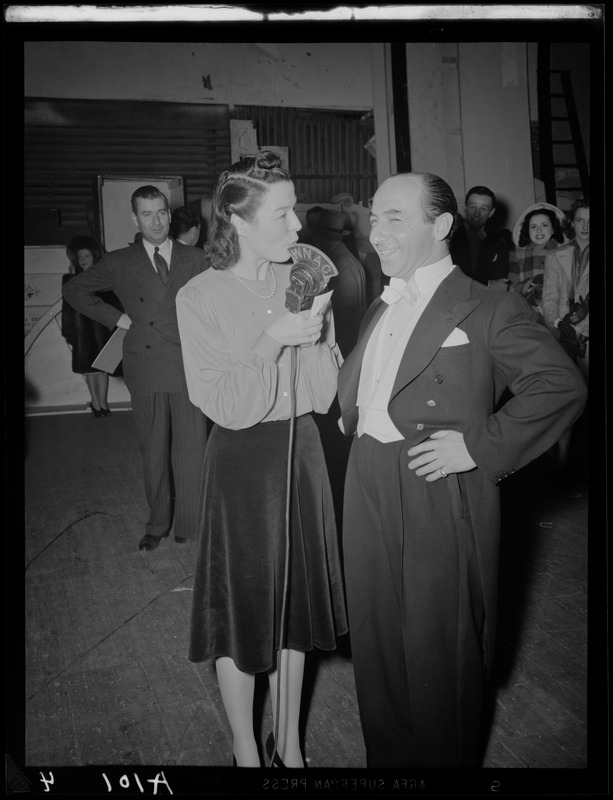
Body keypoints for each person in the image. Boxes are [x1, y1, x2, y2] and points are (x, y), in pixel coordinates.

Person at [337, 171, 587, 768]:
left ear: (442, 226)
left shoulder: (488, 304)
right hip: (367, 474)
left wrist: (481, 445)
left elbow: (560, 385)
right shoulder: (381, 300)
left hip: (437, 484)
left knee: (436, 647)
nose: (378, 228)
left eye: (395, 216)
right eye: (375, 216)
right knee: (376, 641)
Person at [175, 151, 348, 768]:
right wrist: (271, 340)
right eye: (283, 213)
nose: (298, 226)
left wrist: (322, 337)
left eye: (295, 210)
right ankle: (248, 753)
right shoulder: (200, 296)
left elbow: (325, 396)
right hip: (244, 463)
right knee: (243, 607)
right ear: (239, 221)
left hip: (302, 454)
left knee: (296, 607)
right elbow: (224, 401)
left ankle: (291, 747)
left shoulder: (299, 280)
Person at [62, 186, 209, 552]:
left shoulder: (196, 258)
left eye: (161, 212)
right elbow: (76, 291)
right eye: (147, 214)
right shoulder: (119, 261)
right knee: (154, 449)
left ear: (169, 214)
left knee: (192, 449)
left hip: (188, 362)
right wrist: (119, 319)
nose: (156, 221)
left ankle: (190, 525)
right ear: (135, 219)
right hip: (144, 364)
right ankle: (157, 523)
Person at [61, 235, 122, 417]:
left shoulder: (105, 279)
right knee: (89, 370)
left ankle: (102, 404)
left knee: (102, 369)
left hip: (101, 332)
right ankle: (95, 402)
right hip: (82, 332)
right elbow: (66, 310)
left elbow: (115, 305)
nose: (83, 260)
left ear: (94, 257)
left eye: (86, 256)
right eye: (80, 257)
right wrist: (69, 332)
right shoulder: (70, 280)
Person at [541, 198, 590, 378]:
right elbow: (549, 298)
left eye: (590, 221)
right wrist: (556, 329)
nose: (585, 226)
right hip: (562, 333)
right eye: (580, 220)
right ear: (571, 222)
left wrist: (582, 329)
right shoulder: (555, 255)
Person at [315, 208, 367, 357]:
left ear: (321, 235)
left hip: (346, 344)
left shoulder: (342, 263)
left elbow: (347, 313)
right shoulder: (338, 257)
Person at [508, 202, 567, 315]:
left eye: (544, 225)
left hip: (559, 309)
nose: (539, 230)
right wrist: (530, 285)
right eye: (533, 226)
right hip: (528, 308)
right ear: (527, 230)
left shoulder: (564, 252)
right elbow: (512, 286)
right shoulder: (517, 253)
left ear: (553, 228)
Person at [450, 185, 512, 287]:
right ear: (465, 208)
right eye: (472, 207)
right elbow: (450, 278)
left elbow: (501, 285)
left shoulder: (499, 245)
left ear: (491, 212)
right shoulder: (450, 239)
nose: (476, 213)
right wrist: (488, 283)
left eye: (483, 208)